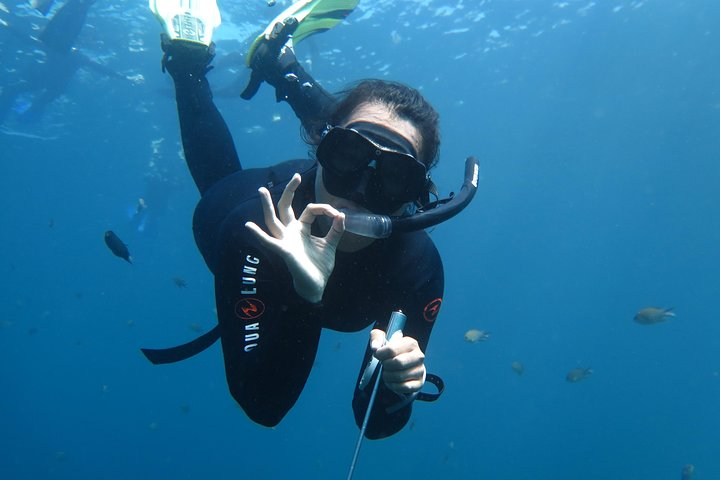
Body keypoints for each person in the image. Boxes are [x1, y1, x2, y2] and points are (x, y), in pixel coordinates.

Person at [142, 0, 475, 439]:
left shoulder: (417, 269)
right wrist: (304, 295)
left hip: (322, 167)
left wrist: (398, 388)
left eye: (392, 178)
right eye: (346, 158)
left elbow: (371, 424)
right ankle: (189, 63)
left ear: (414, 196)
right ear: (320, 151)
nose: (356, 195)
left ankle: (279, 61)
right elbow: (263, 405)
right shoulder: (254, 229)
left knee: (362, 130)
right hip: (232, 201)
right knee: (220, 181)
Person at [0, 0, 125, 123]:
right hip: (54, 84)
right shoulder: (76, 56)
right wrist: (119, 76)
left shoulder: (71, 55)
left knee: (21, 93)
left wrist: (8, 26)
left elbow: (28, 39)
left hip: (46, 80)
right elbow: (97, 67)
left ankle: (19, 115)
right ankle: (24, 115)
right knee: (34, 100)